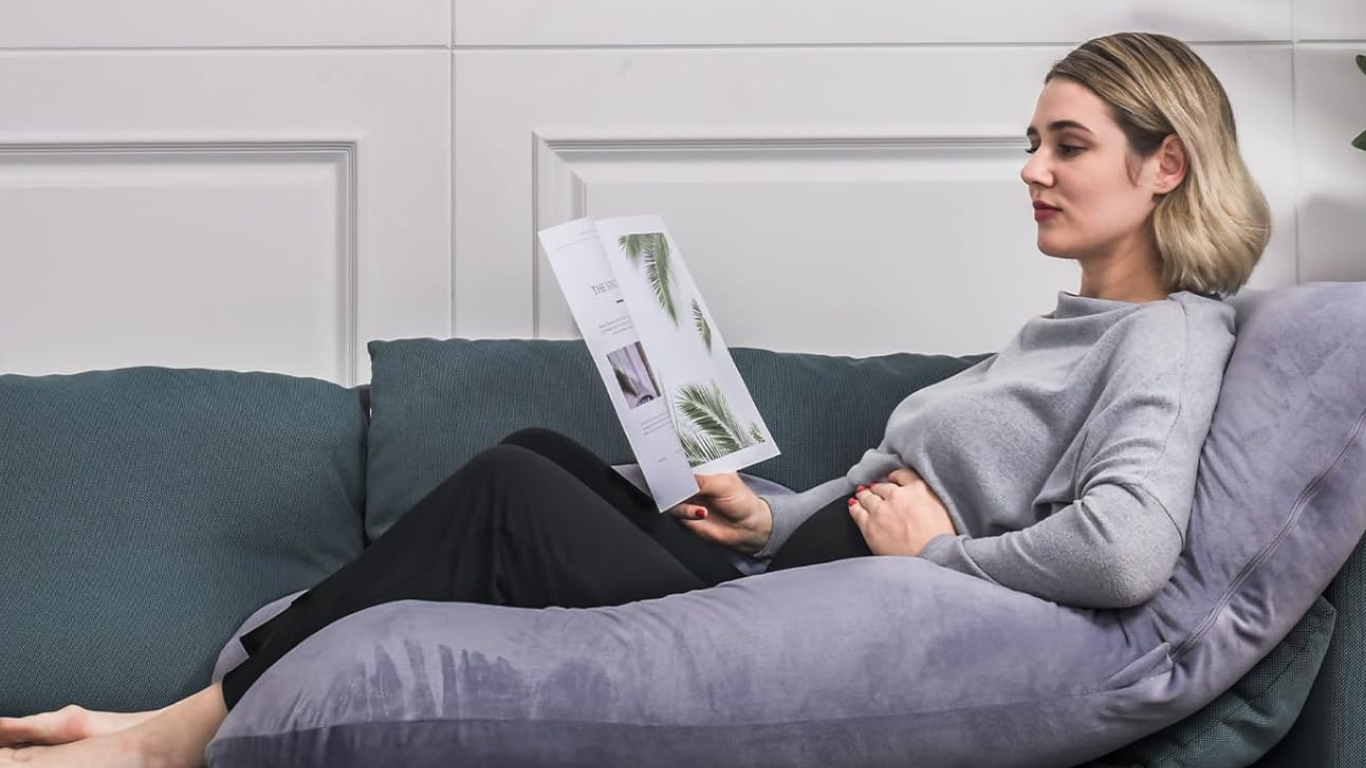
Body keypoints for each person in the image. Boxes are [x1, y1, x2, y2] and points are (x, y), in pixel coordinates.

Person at [0, 30, 1270, 768]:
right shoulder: (1067, 325)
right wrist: (768, 517)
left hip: (800, 634)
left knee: (507, 492)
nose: (1032, 169)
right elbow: (887, 493)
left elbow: (1124, 549)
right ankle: (189, 718)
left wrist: (943, 557)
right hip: (786, 583)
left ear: (1165, 164)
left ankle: (171, 736)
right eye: (1032, 142)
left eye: (1066, 145)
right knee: (541, 449)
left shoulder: (1165, 337)